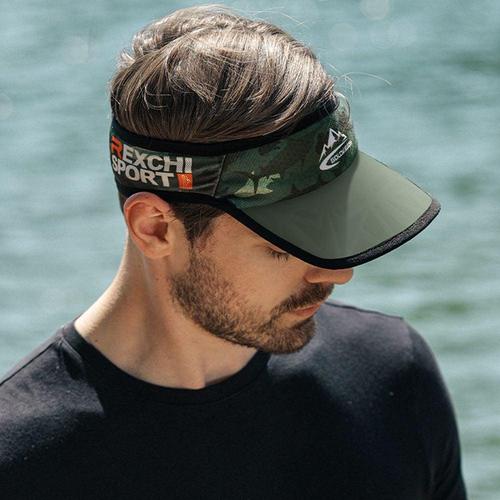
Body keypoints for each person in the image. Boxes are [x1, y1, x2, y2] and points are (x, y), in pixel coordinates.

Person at [0, 4, 467, 499]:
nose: (336, 273)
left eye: (331, 224)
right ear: (154, 228)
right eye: (283, 247)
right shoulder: (18, 463)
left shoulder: (392, 375)